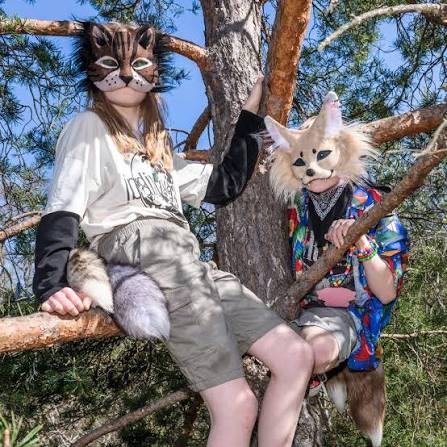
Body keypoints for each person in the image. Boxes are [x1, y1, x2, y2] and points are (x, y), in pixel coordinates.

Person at [33, 22, 313, 447]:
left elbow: (223, 185)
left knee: (296, 357)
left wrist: (251, 119)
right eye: (111, 64)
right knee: (236, 406)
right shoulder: (88, 126)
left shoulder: (156, 147)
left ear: (155, 72)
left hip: (187, 258)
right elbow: (63, 206)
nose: (125, 74)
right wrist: (51, 284)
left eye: (138, 65)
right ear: (91, 70)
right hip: (142, 245)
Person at [265, 91, 409, 446]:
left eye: (320, 155)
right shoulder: (296, 210)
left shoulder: (374, 204)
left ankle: (312, 375)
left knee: (308, 353)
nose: (311, 168)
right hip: (293, 309)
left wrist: (361, 243)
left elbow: (387, 291)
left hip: (346, 317)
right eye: (301, 162)